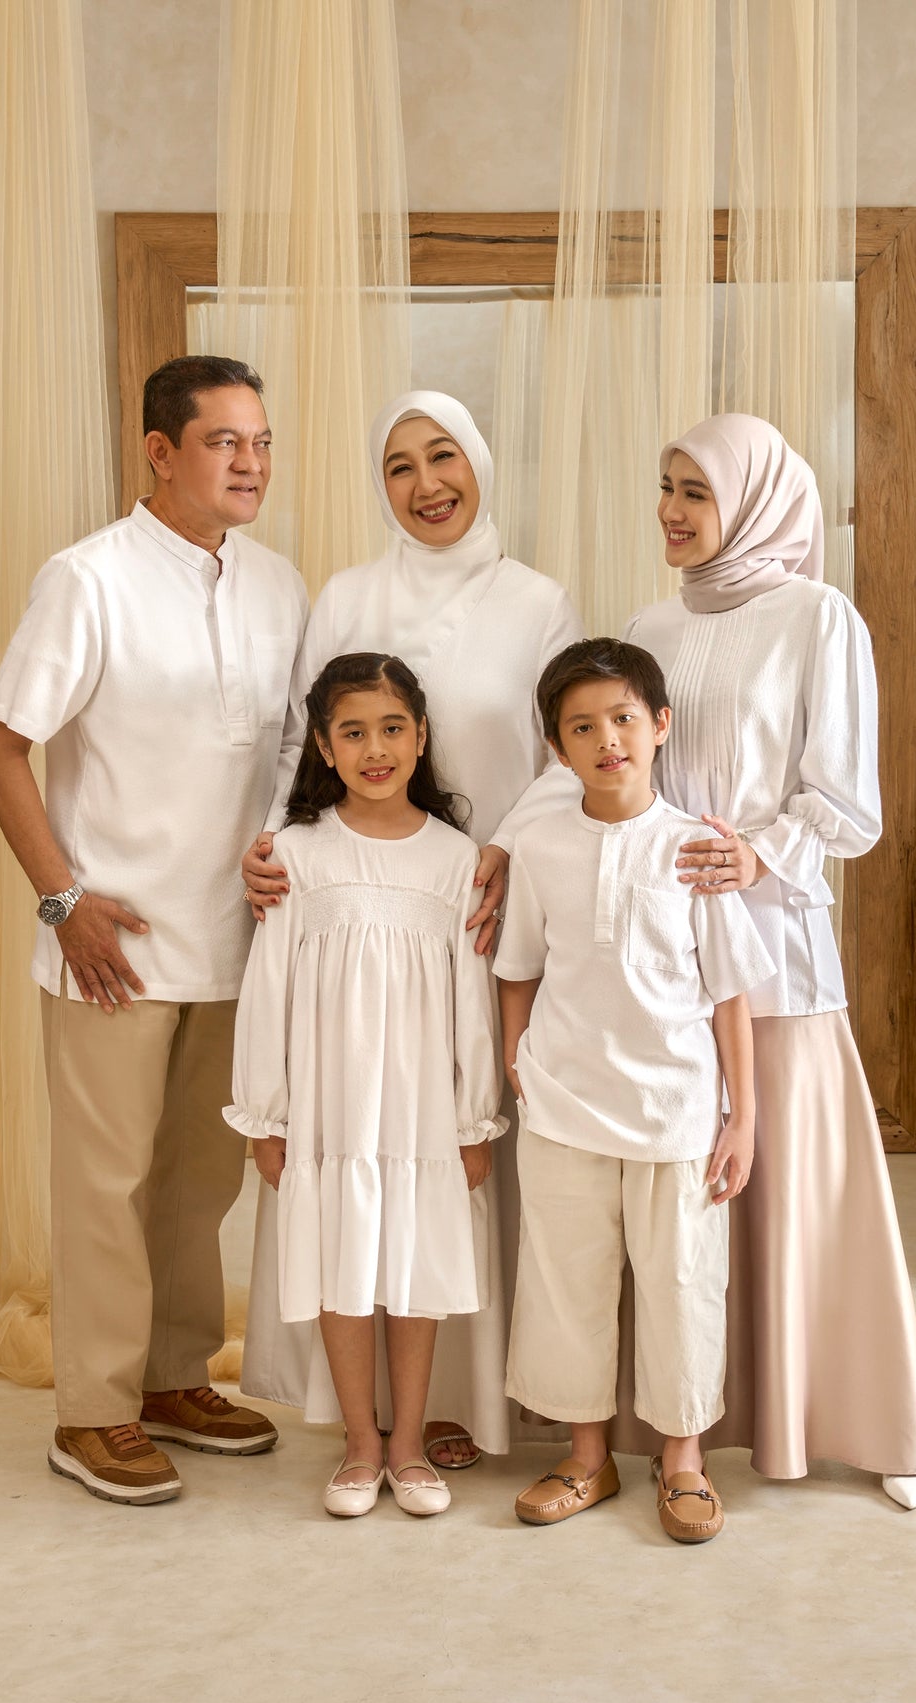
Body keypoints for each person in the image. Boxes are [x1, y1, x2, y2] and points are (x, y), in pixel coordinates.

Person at [0, 356, 307, 1506]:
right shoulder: (89, 580)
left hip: (236, 939)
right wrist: (62, 901)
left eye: (261, 441)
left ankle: (172, 1377)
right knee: (106, 1186)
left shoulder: (279, 586)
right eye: (224, 442)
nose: (251, 463)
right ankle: (94, 1412)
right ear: (160, 452)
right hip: (111, 945)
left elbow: (286, 749)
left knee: (198, 1183)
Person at [239, 390, 583, 1466]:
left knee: (464, 1146)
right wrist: (270, 843)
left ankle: (461, 1401)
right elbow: (297, 740)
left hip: (480, 904)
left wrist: (503, 850)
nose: (427, 484)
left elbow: (564, 756)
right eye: (400, 466)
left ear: (479, 463)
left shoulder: (537, 602)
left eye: (444, 457)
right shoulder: (348, 595)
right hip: (350, 906)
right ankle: (360, 1416)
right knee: (357, 1135)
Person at [623, 412, 916, 1510]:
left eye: (696, 492)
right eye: (666, 486)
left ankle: (866, 1422)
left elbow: (847, 803)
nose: (671, 510)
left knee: (804, 1194)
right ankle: (687, 1419)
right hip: (666, 954)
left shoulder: (819, 617)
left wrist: (757, 852)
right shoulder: (647, 628)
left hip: (775, 943)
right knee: (681, 1191)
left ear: (754, 502)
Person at [494, 638, 774, 1542]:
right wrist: (516, 1061)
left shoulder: (696, 848)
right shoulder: (539, 846)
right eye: (581, 727)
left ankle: (683, 1462)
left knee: (682, 1283)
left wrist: (742, 1118)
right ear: (556, 747)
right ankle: (586, 1459)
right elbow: (518, 968)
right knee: (564, 1284)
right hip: (564, 1105)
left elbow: (729, 995)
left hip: (677, 1112)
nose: (605, 739)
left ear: (659, 725)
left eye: (621, 718)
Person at [225, 653, 507, 1517]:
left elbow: (472, 1001)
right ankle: (358, 1444)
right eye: (353, 733)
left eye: (392, 729)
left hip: (423, 1109)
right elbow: (268, 986)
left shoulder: (456, 859)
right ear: (324, 745)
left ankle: (409, 1444)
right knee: (340, 1264)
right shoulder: (297, 854)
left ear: (421, 737)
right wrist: (266, 1116)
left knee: (415, 1267)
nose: (375, 750)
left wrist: (473, 1120)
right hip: (330, 1105)